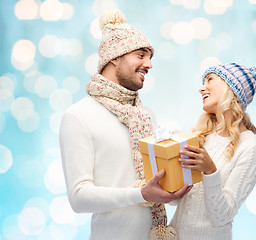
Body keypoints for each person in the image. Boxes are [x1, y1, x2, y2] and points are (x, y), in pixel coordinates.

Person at [59, 9, 189, 240]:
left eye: (150, 57)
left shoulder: (145, 115)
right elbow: (78, 198)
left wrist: (177, 185)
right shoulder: (78, 116)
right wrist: (140, 194)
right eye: (141, 55)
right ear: (115, 56)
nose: (149, 64)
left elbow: (157, 184)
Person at [169, 63, 256, 239]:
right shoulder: (202, 135)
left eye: (210, 79)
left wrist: (210, 171)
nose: (201, 88)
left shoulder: (251, 147)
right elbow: (177, 201)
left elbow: (222, 216)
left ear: (231, 88)